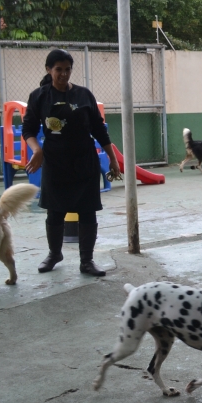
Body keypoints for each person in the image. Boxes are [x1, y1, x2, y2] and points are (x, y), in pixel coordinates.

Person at [23, 49, 121, 277]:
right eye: (59, 69)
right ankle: (54, 254)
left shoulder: (84, 95)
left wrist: (113, 159)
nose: (64, 74)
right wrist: (36, 149)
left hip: (84, 161)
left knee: (88, 212)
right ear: (49, 70)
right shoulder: (39, 96)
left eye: (67, 69)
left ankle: (87, 261)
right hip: (55, 161)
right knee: (55, 212)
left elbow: (99, 130)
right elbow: (29, 129)